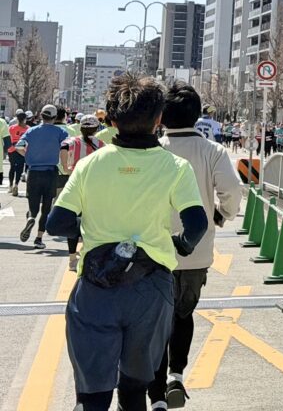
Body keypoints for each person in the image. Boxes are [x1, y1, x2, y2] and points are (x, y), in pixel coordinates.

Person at [45, 73, 208, 411]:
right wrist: (182, 244)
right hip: (152, 288)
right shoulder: (175, 167)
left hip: (95, 285)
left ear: (113, 120)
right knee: (135, 387)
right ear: (158, 119)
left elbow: (57, 222)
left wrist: (90, 225)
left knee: (92, 392)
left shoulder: (90, 165)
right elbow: (197, 224)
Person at [148, 81, 242, 411]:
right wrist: (220, 215)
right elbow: (232, 190)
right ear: (198, 114)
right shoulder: (212, 151)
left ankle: (157, 393)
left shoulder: (154, 149)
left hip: (155, 249)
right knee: (184, 315)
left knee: (156, 320)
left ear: (161, 116)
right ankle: (177, 374)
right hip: (196, 251)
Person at [16, 104, 67, 249]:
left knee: (33, 204)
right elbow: (66, 147)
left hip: (33, 172)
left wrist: (28, 155)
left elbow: (19, 146)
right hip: (51, 172)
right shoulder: (60, 132)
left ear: (41, 116)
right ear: (55, 117)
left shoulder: (31, 131)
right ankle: (38, 239)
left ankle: (31, 217)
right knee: (46, 207)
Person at [59, 114, 103, 271]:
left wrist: (65, 167)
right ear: (97, 128)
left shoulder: (73, 141)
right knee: (90, 220)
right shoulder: (101, 144)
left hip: (74, 183)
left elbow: (63, 148)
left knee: (74, 220)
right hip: (94, 186)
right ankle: (86, 254)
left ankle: (72, 257)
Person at [7, 110, 29, 196]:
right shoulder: (28, 129)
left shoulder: (11, 128)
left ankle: (11, 186)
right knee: (19, 168)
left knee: (12, 167)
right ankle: (15, 184)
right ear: (24, 120)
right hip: (21, 151)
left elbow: (8, 139)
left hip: (12, 150)